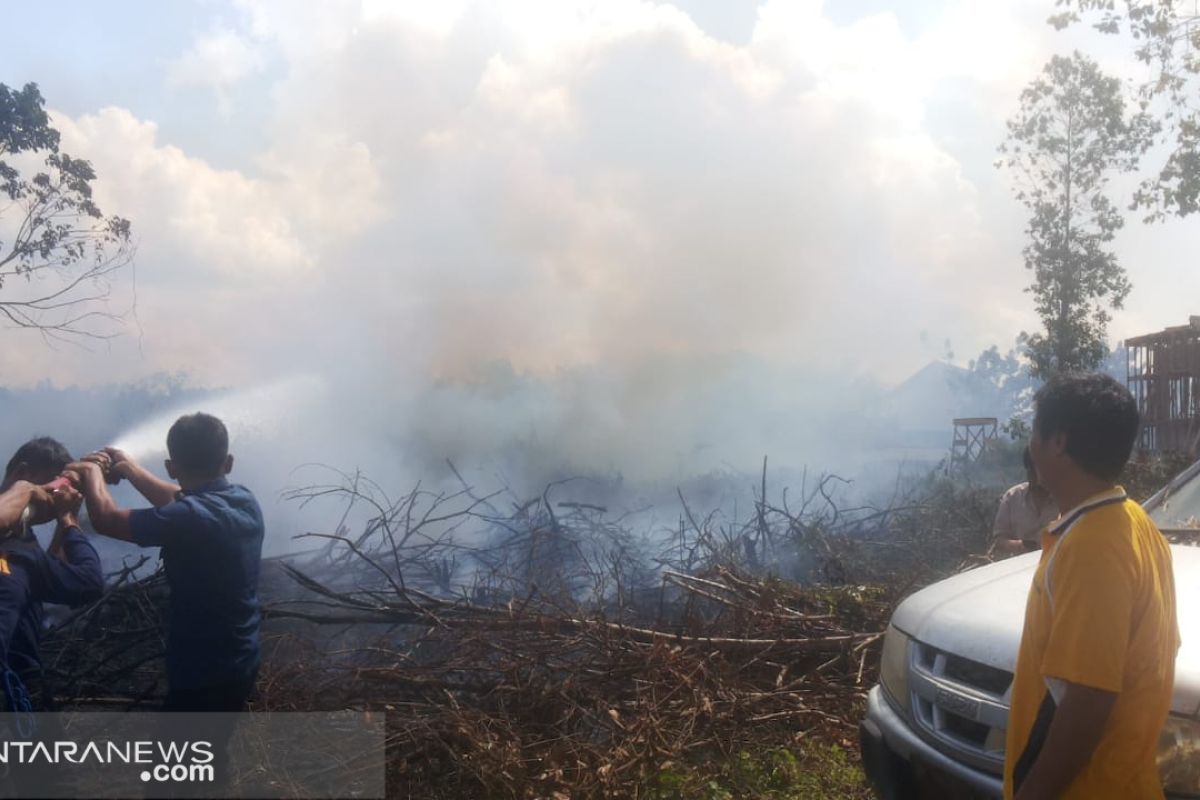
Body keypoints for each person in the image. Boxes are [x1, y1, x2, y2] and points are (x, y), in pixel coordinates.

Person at [1005, 373, 1179, 800]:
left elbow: (1088, 699)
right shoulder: (1133, 520)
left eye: (1035, 431)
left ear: (1058, 442)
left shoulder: (1092, 546)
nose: (1030, 444)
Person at [67, 413, 264, 711]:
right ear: (228, 463)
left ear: (172, 468)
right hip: (241, 659)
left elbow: (106, 519)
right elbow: (181, 500)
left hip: (204, 672)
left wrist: (91, 472)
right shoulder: (242, 499)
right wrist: (130, 469)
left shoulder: (189, 518)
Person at [0, 438, 104, 712]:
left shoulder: (25, 548)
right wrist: (26, 492)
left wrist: (66, 520)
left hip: (19, 691)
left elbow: (73, 578)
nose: (54, 499)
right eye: (53, 489)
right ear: (22, 474)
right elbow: (87, 581)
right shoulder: (16, 547)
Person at [991, 446, 1059, 557]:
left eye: (1041, 470)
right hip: (1021, 567)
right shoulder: (1012, 498)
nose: (1037, 478)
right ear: (1027, 470)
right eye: (1032, 471)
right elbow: (999, 541)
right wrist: (1022, 546)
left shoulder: (1065, 499)